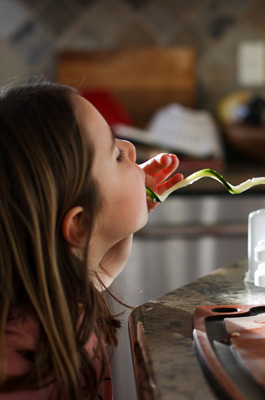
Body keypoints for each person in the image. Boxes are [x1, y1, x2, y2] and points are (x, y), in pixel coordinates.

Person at [0, 80, 183, 399]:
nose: (129, 148)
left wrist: (120, 219)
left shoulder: (48, 301)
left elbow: (93, 274)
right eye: (115, 155)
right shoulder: (26, 363)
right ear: (81, 224)